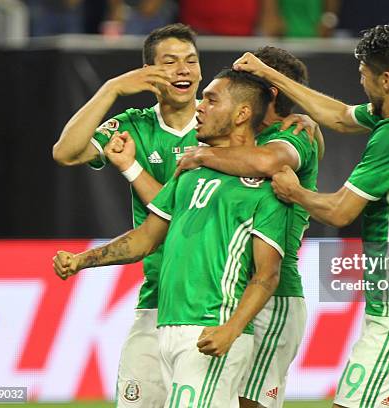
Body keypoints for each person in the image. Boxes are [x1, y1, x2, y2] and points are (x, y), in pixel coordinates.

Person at [234, 23, 389, 407]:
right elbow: (338, 117)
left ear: (386, 80)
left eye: (364, 73)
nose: (360, 79)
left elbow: (340, 211)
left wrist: (295, 192)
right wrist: (270, 74)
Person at [53, 68, 289, 407]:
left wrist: (232, 329)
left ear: (242, 114)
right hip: (167, 325)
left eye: (211, 99)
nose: (200, 107)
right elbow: (146, 238)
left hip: (211, 328)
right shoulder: (190, 174)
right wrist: (82, 261)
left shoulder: (266, 187)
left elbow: (267, 274)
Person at [52, 23, 201, 408]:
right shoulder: (136, 124)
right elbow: (66, 152)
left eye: (191, 61)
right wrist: (112, 88)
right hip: (156, 298)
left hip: (213, 303)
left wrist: (132, 168)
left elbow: (180, 214)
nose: (183, 70)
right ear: (149, 73)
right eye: (170, 62)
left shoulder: (220, 127)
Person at [175, 46, 319, 408]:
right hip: (232, 295)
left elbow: (268, 161)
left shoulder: (294, 135)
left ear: (268, 92)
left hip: (275, 293)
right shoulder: (236, 141)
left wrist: (203, 155)